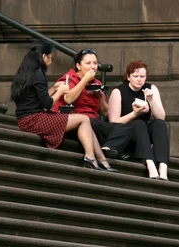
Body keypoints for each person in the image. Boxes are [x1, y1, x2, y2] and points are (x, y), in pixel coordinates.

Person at [53, 49, 160, 178]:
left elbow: (104, 112)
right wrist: (84, 80)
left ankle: (108, 148)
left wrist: (99, 97)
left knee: (126, 127)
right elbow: (68, 99)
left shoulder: (96, 83)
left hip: (95, 124)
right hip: (77, 123)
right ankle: (112, 152)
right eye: (88, 63)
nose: (93, 66)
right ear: (78, 66)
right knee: (90, 122)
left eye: (95, 63)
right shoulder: (70, 77)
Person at [10, 39, 113, 171]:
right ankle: (90, 158)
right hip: (33, 120)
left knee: (84, 122)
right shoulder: (38, 74)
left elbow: (36, 100)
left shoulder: (26, 73)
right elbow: (47, 104)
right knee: (83, 119)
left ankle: (102, 160)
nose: (51, 61)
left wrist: (53, 89)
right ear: (43, 57)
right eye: (50, 58)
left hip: (27, 119)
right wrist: (59, 91)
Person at [108, 60, 170, 181]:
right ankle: (150, 164)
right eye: (135, 76)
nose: (139, 79)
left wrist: (151, 101)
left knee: (160, 124)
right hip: (126, 133)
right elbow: (113, 122)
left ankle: (163, 169)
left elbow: (161, 116)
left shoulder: (151, 88)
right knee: (138, 123)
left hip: (143, 134)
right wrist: (134, 113)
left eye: (142, 76)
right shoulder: (119, 91)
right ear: (128, 77)